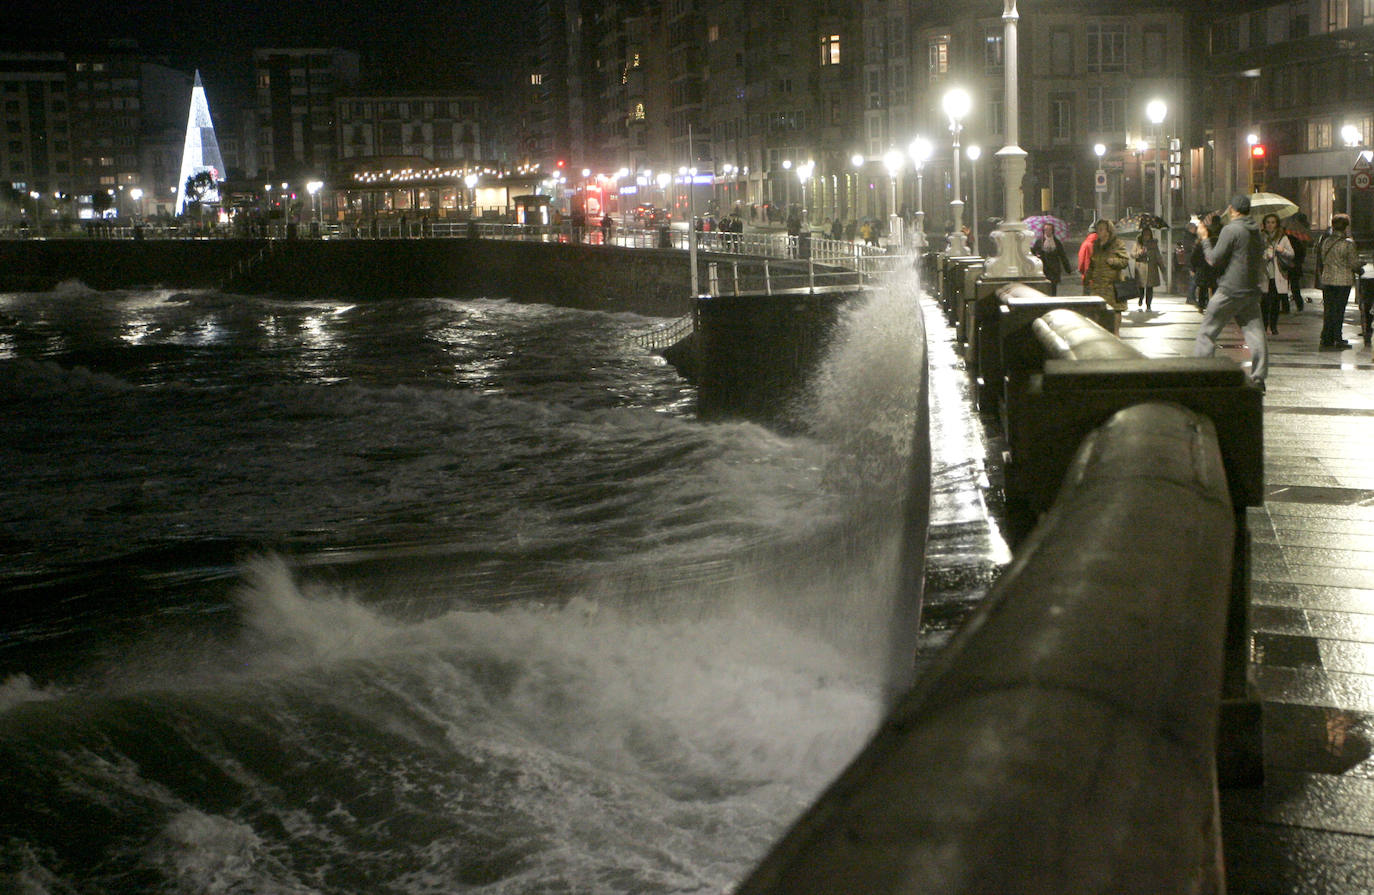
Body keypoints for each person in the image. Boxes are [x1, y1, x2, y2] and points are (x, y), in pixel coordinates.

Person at [1194, 194, 1267, 391]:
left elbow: (1213, 259)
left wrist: (1204, 238)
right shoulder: (1256, 232)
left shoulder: (1231, 229)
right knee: (1255, 334)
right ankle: (1259, 376)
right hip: (1251, 290)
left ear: (1233, 210)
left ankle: (1201, 372)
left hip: (1230, 289)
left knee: (1207, 332)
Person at [1315, 212, 1361, 349]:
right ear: (1346, 226)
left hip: (1327, 280)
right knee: (1339, 310)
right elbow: (1353, 263)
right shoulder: (1348, 243)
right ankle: (1337, 337)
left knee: (1329, 309)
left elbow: (1322, 259)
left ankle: (1326, 337)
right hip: (1343, 281)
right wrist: (1360, 267)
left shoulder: (1326, 242)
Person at [1083, 218, 1130, 332]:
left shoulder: (1117, 244)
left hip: (1112, 285)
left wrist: (1114, 261)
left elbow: (1124, 261)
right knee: (1097, 310)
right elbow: (1092, 263)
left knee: (1116, 309)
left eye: (1101, 229)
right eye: (1098, 229)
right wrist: (1087, 278)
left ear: (1108, 231)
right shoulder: (1096, 245)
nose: (1098, 232)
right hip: (1098, 284)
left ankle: (1115, 333)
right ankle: (1101, 333)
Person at [1259, 213, 1294, 336]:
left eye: (1273, 222)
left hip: (1277, 275)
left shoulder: (1282, 238)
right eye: (1268, 222)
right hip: (1264, 275)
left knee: (1275, 302)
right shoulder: (1260, 237)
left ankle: (1273, 326)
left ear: (1277, 224)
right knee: (1264, 302)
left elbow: (1291, 254)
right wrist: (1264, 255)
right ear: (1264, 224)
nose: (1270, 225)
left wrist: (1281, 250)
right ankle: (1264, 326)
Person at [1190, 212, 1221, 314]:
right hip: (1212, 267)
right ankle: (1214, 306)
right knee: (1213, 286)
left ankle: (1201, 305)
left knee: (1203, 287)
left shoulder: (1201, 242)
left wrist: (1193, 267)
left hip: (1203, 267)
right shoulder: (1217, 239)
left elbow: (1195, 255)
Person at [1030, 223, 1072, 295]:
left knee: (1053, 288)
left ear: (1052, 231)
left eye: (1050, 229)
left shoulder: (1056, 242)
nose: (1048, 231)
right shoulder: (1039, 241)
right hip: (1044, 268)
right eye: (1046, 229)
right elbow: (1034, 252)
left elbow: (1062, 255)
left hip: (1054, 269)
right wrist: (1037, 256)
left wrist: (1068, 269)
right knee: (1044, 287)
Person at [1131, 224, 1164, 311]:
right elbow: (1132, 254)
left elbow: (1158, 257)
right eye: (1145, 235)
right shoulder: (1138, 243)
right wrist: (1140, 253)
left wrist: (1162, 268)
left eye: (1148, 235)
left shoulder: (1154, 244)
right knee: (1141, 287)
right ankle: (1141, 298)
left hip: (1151, 269)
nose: (1146, 237)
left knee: (1150, 288)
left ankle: (1148, 304)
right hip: (1141, 269)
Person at [1284, 212, 1311, 312]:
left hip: (1293, 266)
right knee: (1291, 287)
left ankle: (1296, 305)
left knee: (1293, 287)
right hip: (1291, 265)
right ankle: (1294, 305)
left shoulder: (1293, 238)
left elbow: (1300, 253)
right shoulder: (1295, 237)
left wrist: (1295, 262)